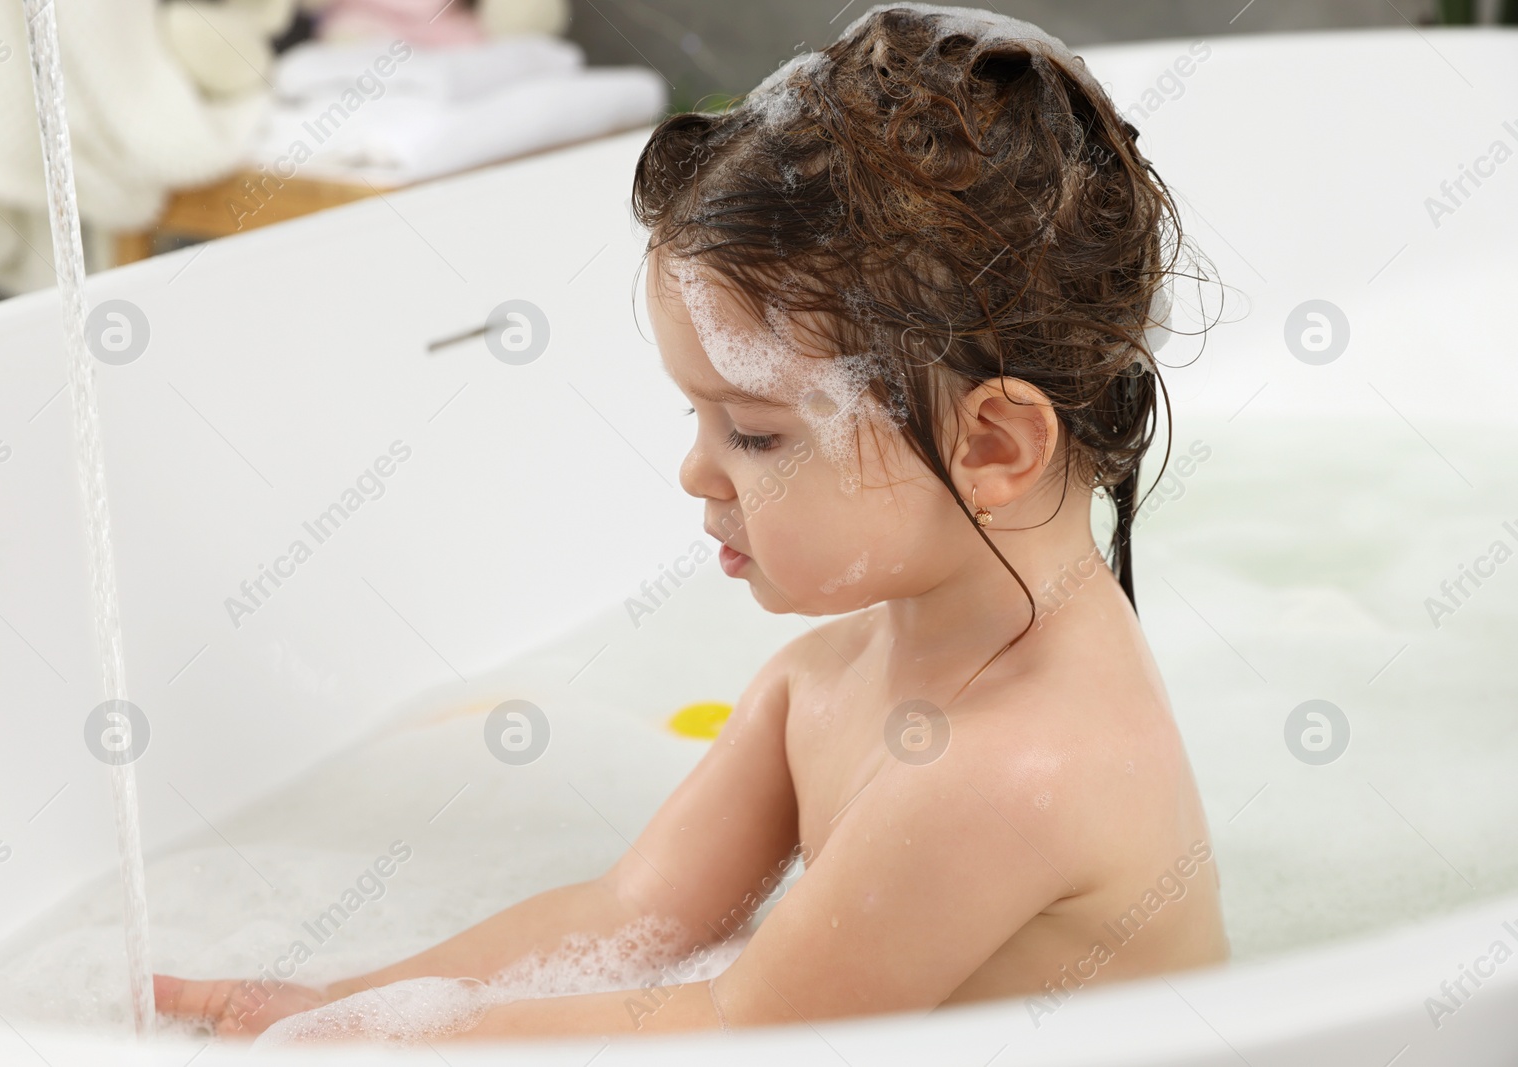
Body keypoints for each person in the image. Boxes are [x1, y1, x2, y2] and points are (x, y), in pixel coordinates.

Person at [155, 3, 1229, 1043]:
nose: (692, 469)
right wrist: (336, 1001)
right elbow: (632, 915)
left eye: (753, 433)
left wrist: (388, 1042)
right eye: (696, 415)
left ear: (993, 447)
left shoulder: (1014, 767)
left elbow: (731, 1028)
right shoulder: (821, 679)